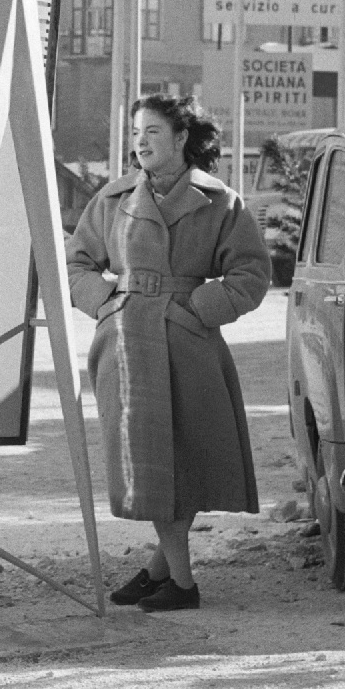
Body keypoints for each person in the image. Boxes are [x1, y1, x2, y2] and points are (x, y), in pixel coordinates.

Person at [67, 94, 271, 612]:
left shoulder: (221, 201)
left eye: (153, 131)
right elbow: (76, 265)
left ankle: (176, 580)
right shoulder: (111, 200)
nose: (141, 142)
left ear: (182, 139)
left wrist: (197, 308)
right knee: (150, 461)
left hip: (189, 344)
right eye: (137, 132)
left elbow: (251, 274)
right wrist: (108, 302)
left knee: (187, 459)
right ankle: (172, 575)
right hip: (127, 345)